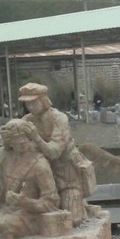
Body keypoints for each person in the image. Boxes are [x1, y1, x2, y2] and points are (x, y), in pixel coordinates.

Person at [18, 83, 95, 226]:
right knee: (31, 217)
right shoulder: (27, 120)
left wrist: (35, 137)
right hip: (41, 177)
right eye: (27, 104)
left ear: (43, 100)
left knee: (72, 220)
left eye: (34, 102)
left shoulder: (59, 118)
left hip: (66, 176)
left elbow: (54, 152)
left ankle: (79, 203)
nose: (30, 107)